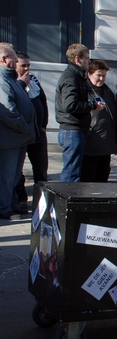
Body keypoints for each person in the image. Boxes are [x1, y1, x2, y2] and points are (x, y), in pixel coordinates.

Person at [55, 43, 104, 182]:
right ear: (77, 59)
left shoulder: (77, 76)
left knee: (75, 168)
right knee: (71, 171)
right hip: (72, 130)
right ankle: (67, 199)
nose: (89, 61)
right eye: (87, 58)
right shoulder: (70, 78)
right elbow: (70, 105)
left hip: (77, 129)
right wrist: (92, 105)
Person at [0, 43, 36, 220]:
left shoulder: (11, 79)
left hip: (19, 137)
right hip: (10, 138)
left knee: (14, 176)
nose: (16, 62)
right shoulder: (2, 80)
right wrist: (25, 126)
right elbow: (8, 110)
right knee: (6, 176)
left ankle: (12, 204)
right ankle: (3, 208)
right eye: (14, 59)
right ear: (3, 59)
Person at [14, 51, 48, 211]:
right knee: (18, 169)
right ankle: (21, 199)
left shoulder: (33, 80)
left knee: (40, 167)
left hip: (38, 132)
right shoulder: (12, 82)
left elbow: (43, 102)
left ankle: (41, 200)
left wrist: (43, 125)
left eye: (29, 65)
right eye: (23, 66)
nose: (27, 69)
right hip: (20, 133)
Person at [81, 60, 117, 182]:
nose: (102, 79)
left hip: (106, 142)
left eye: (104, 75)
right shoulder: (84, 90)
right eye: (99, 75)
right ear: (89, 74)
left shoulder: (107, 91)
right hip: (90, 141)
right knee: (88, 176)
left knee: (103, 176)